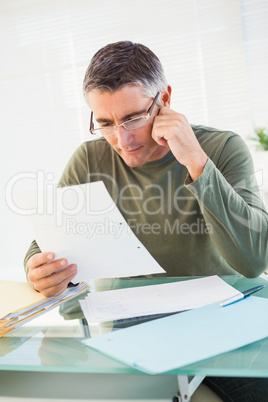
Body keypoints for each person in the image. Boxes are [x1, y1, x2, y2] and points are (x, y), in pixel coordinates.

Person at [24, 41, 268, 401]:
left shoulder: (221, 148)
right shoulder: (90, 159)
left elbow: (252, 260)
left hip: (224, 319)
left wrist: (197, 164)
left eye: (134, 118)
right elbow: (45, 246)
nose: (122, 140)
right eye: (105, 123)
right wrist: (37, 268)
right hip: (131, 326)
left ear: (165, 99)